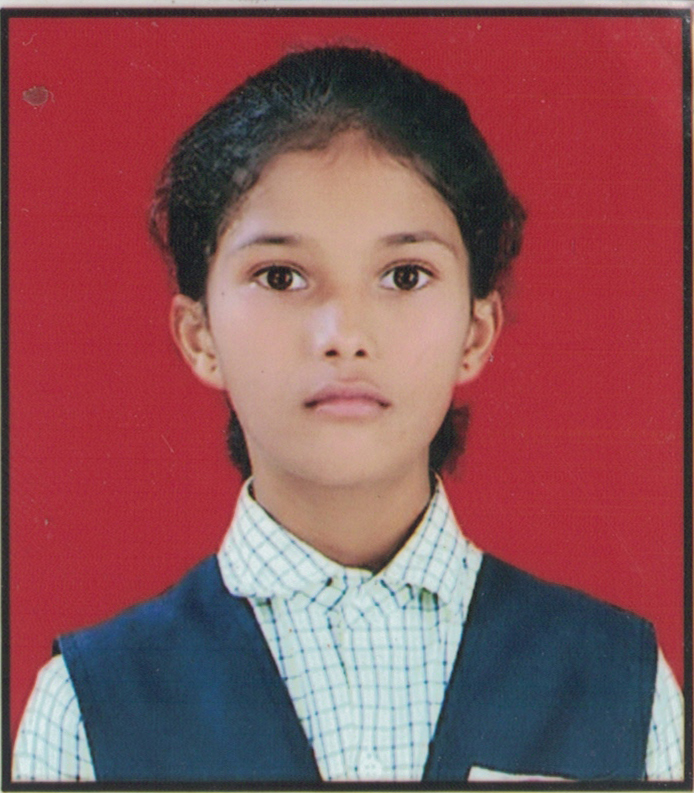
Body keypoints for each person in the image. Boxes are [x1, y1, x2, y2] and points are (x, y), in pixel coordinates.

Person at [13, 46, 683, 783]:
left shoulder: (621, 685)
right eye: (281, 276)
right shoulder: (89, 708)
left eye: (405, 275)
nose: (344, 335)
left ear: (476, 331)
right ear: (199, 335)